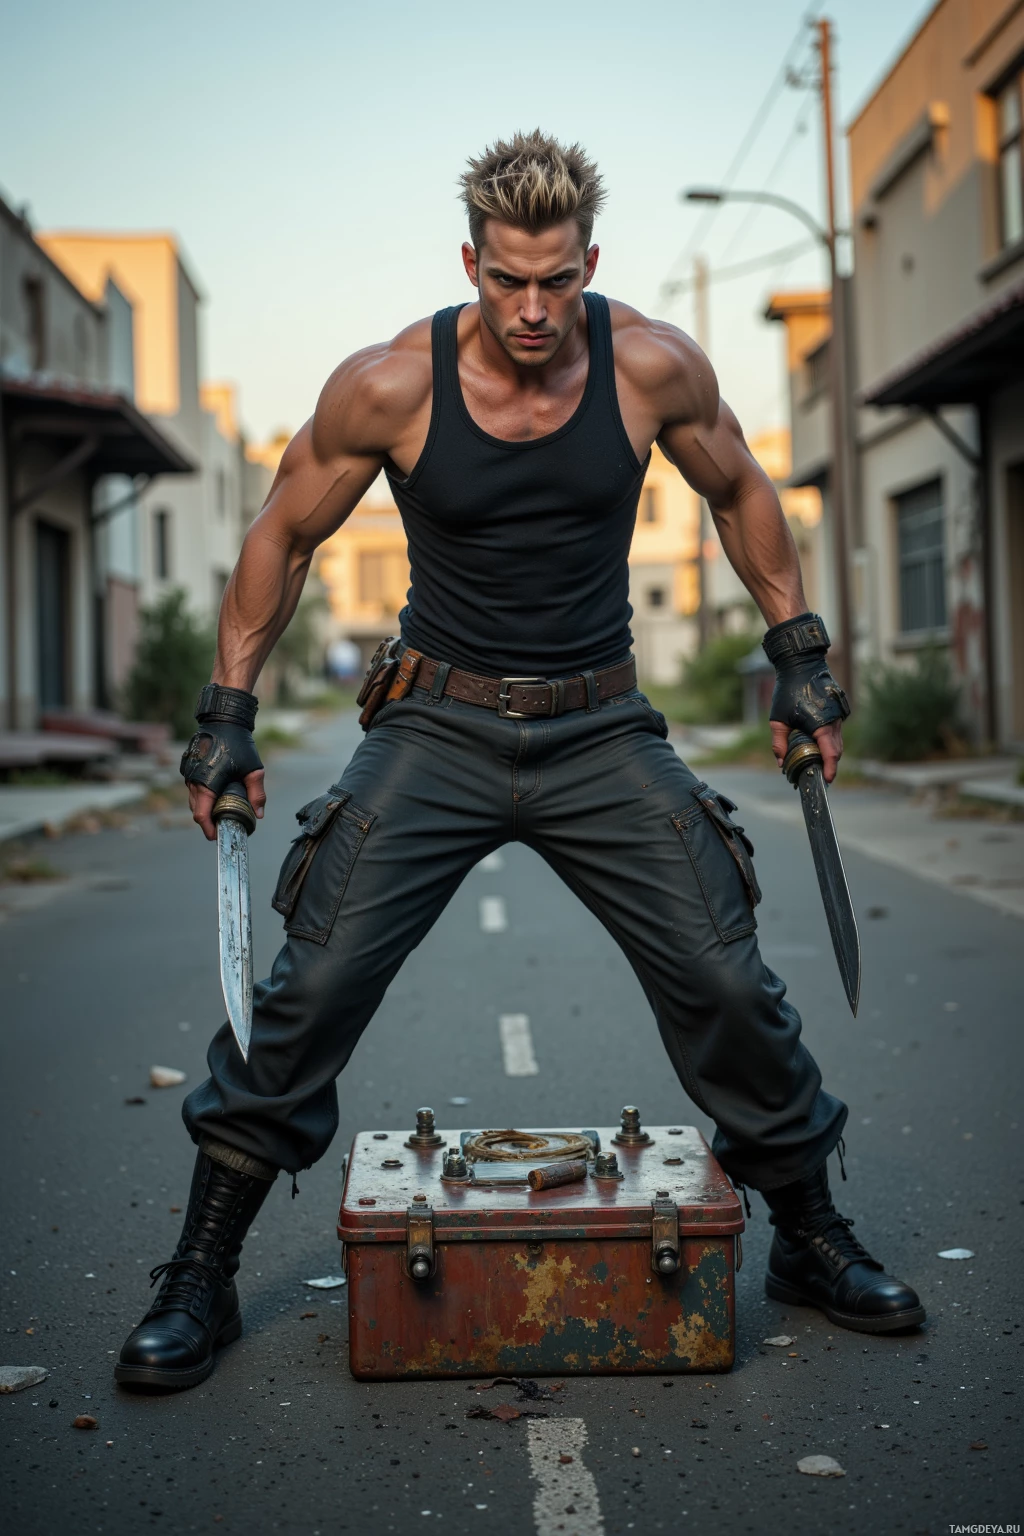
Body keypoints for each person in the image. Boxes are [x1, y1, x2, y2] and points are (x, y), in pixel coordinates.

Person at [115, 130, 924, 1392]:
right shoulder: (389, 385)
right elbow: (281, 534)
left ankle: (811, 1240)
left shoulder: (651, 365)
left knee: (723, 976)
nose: (533, 309)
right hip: (435, 725)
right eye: (507, 281)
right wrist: (225, 716)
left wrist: (799, 656)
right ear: (470, 265)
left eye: (555, 280)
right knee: (312, 987)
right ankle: (200, 1274)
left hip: (599, 728)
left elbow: (744, 490)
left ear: (589, 261)